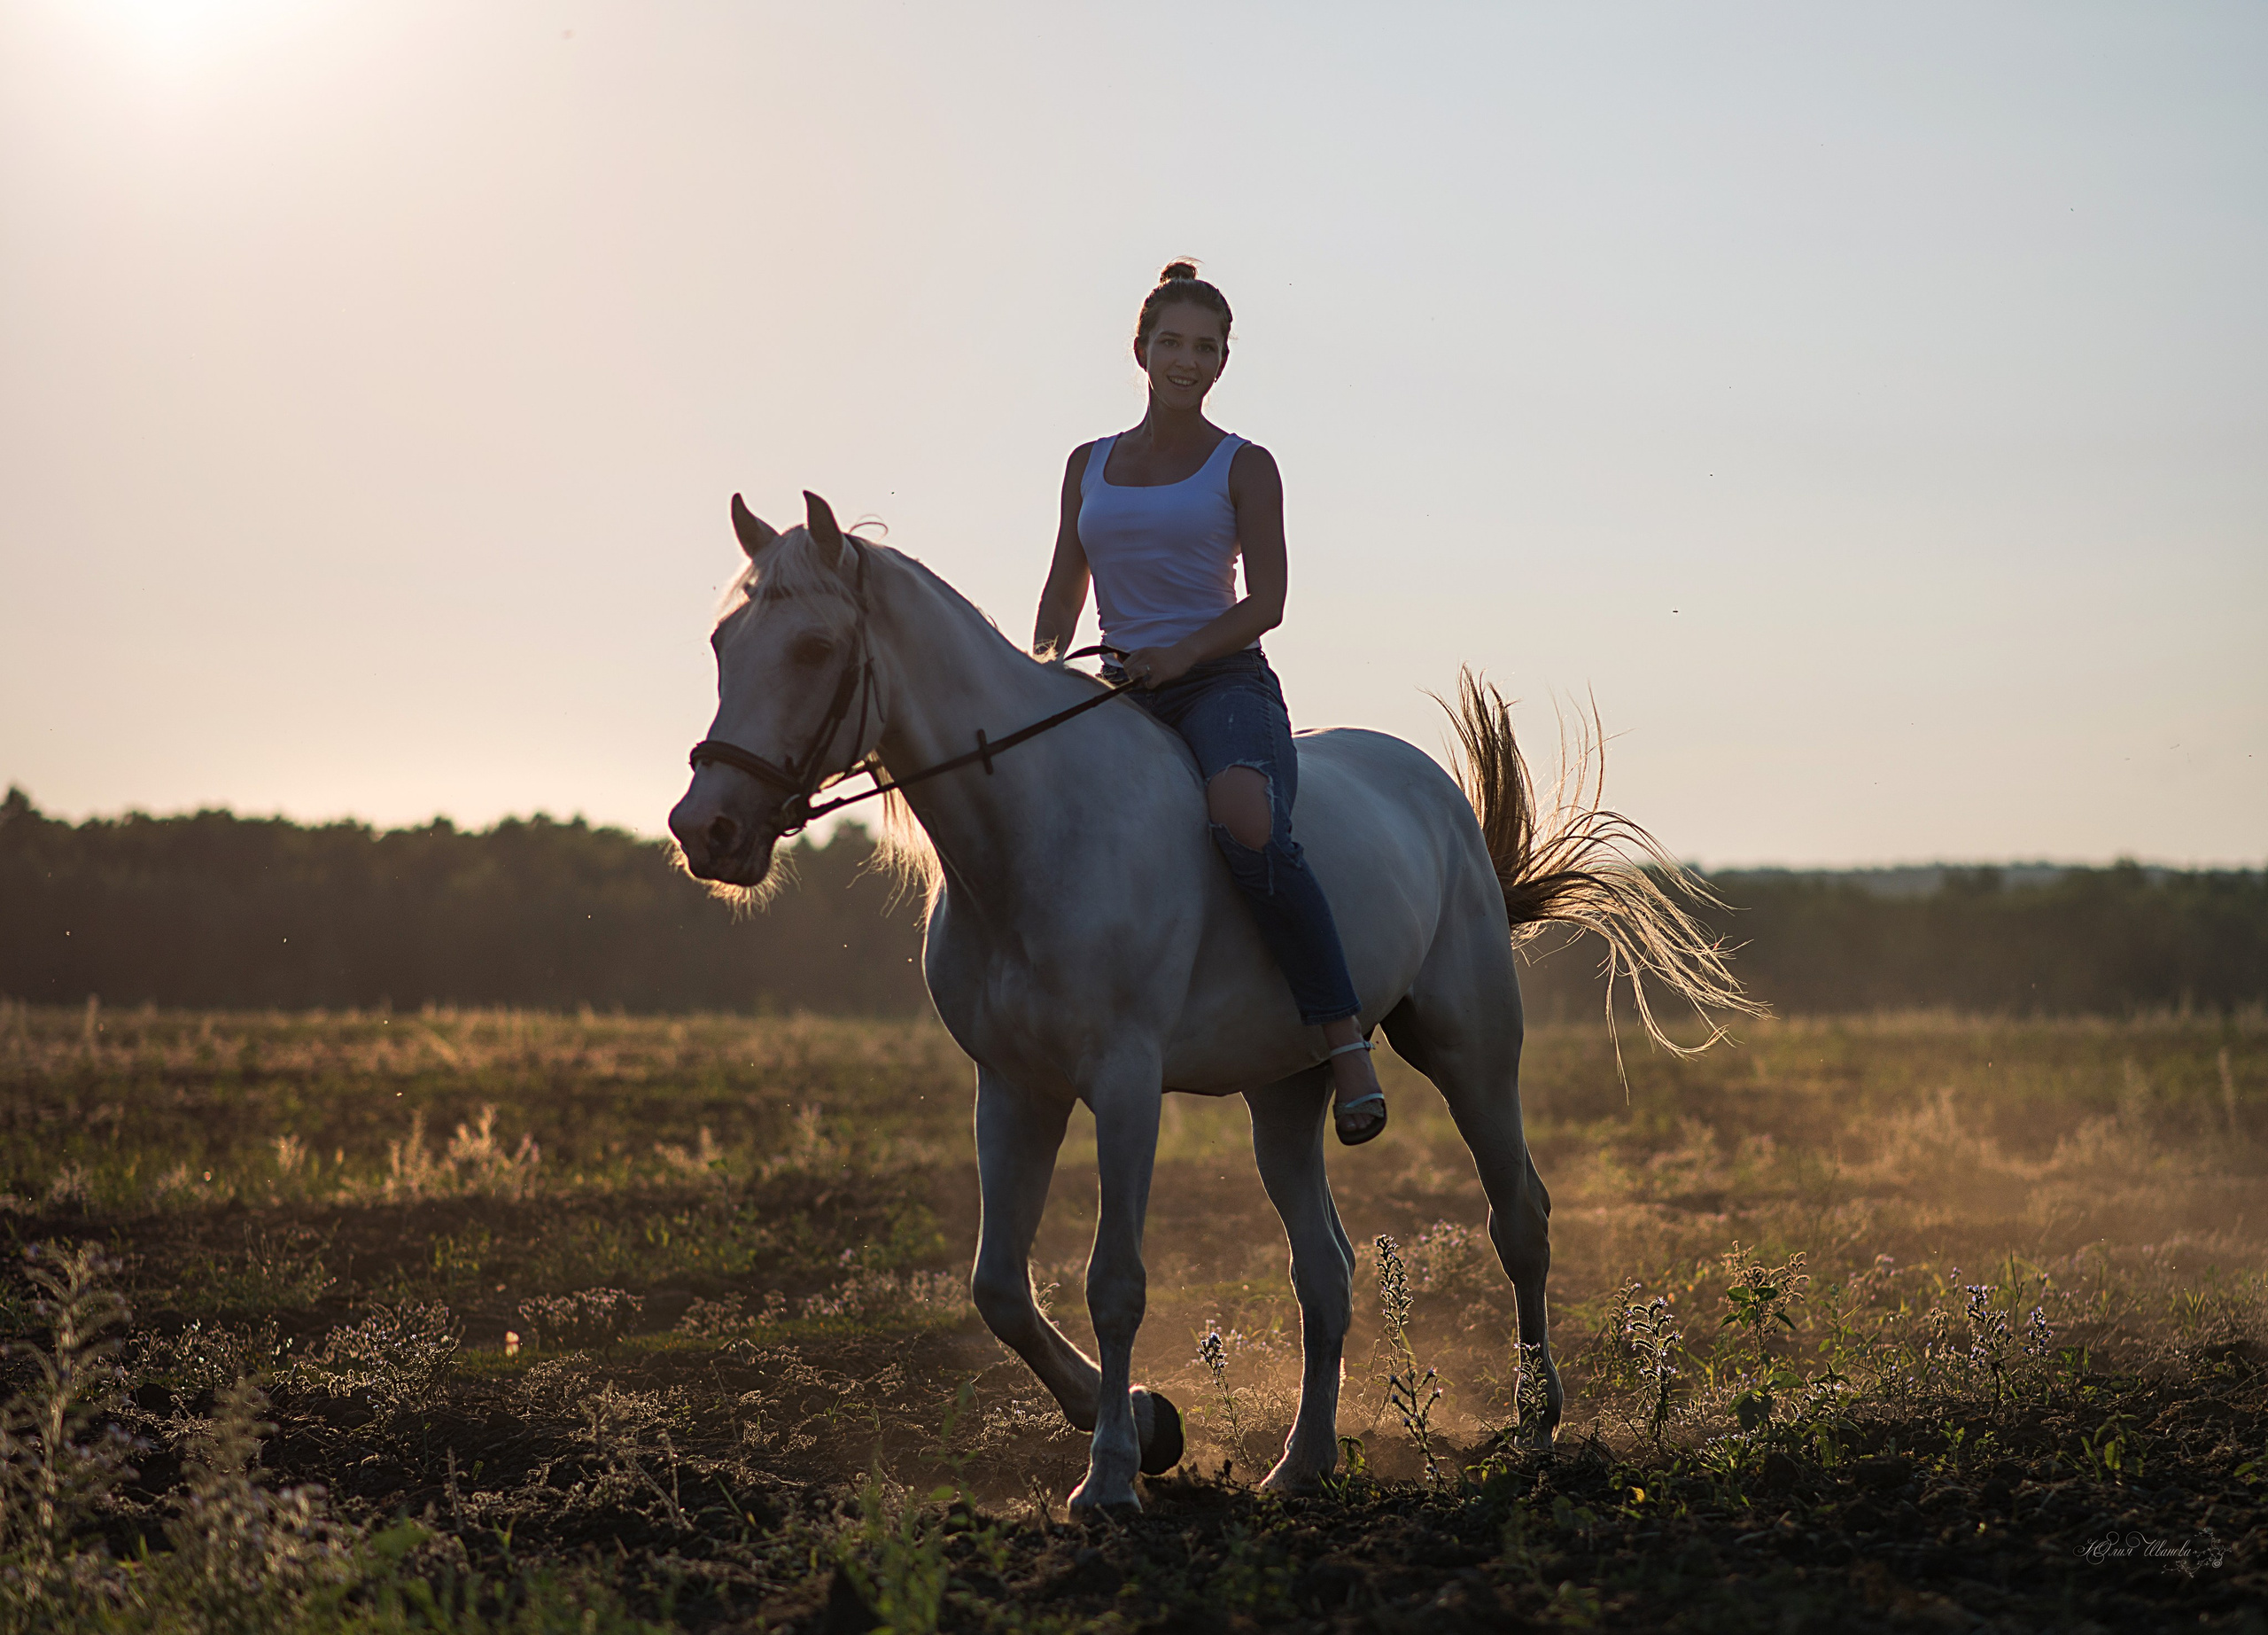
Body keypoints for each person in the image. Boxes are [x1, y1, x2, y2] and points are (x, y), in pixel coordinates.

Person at [1033, 261, 1387, 1145]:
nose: (1186, 361)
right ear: (1140, 350)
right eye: (1171, 343)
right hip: (1116, 689)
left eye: (1205, 348)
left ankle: (1340, 1035)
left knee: (1245, 820)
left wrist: (1181, 653)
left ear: (1222, 360)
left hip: (1220, 682)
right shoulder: (1088, 464)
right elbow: (1060, 594)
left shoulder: (1245, 465)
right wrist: (1035, 674)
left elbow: (1265, 603)